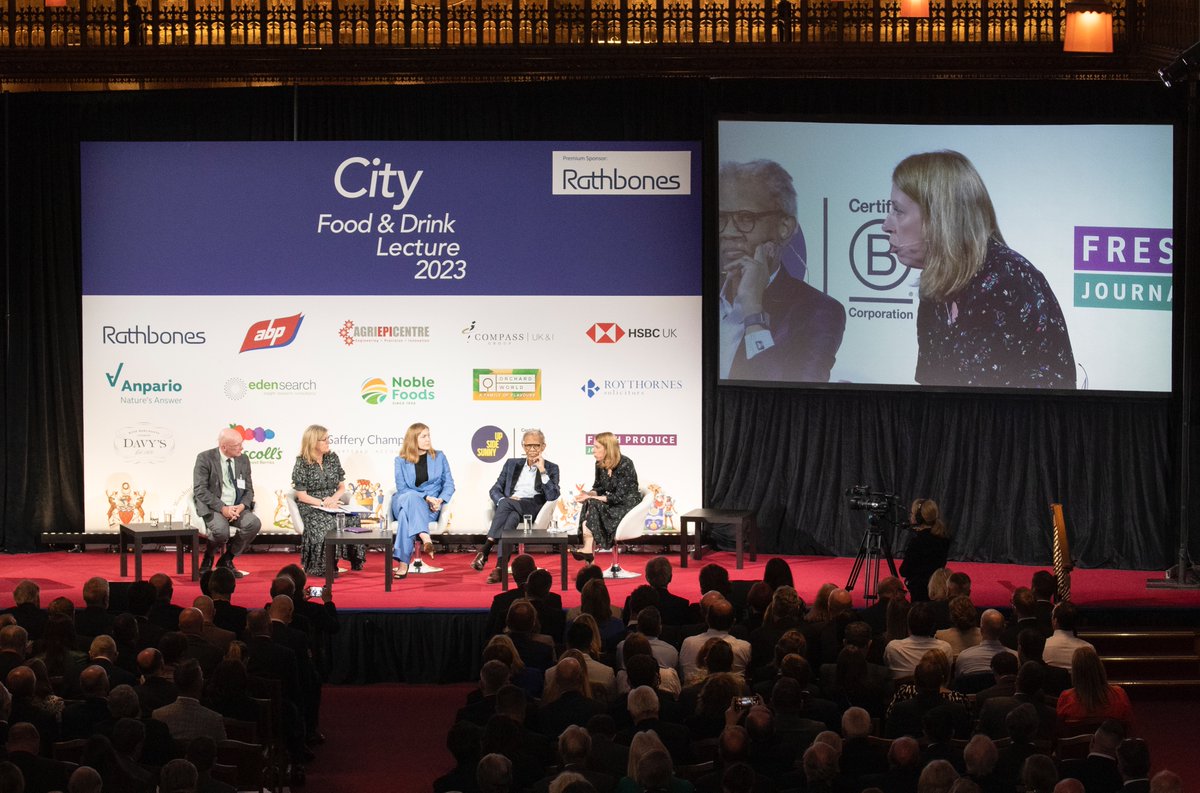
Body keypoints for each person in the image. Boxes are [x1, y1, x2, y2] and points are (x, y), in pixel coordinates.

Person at [882, 150, 1075, 388]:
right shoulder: (936, 286)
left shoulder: (1009, 282)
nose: (886, 225)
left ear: (941, 216)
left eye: (898, 211)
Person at [719, 159, 845, 382]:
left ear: (784, 228)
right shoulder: (691, 295)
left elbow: (787, 397)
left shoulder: (817, 312)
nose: (728, 232)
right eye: (720, 218)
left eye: (746, 218)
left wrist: (753, 311)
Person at [474, 429, 561, 584]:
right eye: (528, 446)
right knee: (510, 519)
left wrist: (542, 470)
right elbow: (495, 489)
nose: (532, 449)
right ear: (523, 446)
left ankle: (486, 549)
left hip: (534, 507)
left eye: (536, 445)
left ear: (543, 446)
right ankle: (500, 568)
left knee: (508, 504)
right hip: (512, 507)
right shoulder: (511, 464)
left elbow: (553, 496)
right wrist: (502, 500)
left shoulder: (551, 467)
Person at [291, 424, 364, 579]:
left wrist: (333, 499)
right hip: (311, 505)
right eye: (324, 440)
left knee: (352, 518)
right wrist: (323, 503)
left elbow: (341, 487)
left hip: (332, 502)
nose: (328, 442)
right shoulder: (302, 463)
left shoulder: (332, 458)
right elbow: (302, 496)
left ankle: (348, 560)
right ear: (313, 442)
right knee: (327, 521)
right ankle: (323, 564)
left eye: (328, 439)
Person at [193, 427, 262, 576]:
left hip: (237, 507)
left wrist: (242, 506)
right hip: (215, 507)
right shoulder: (205, 458)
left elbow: (249, 489)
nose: (242, 448)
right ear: (224, 447)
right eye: (237, 445)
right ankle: (208, 557)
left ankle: (227, 559)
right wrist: (222, 508)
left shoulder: (243, 459)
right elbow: (200, 489)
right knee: (221, 531)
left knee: (254, 523)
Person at [390, 422, 455, 579]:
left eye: (429, 435)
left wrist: (439, 500)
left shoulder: (439, 457)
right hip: (404, 501)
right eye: (423, 436)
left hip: (430, 508)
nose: (428, 439)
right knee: (411, 497)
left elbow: (449, 484)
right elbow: (402, 489)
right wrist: (425, 497)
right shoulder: (401, 460)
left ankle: (403, 563)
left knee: (407, 516)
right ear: (413, 439)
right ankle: (425, 536)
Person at [572, 432, 639, 561]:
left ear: (608, 448)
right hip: (612, 503)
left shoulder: (625, 464)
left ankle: (588, 550)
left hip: (627, 506)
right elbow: (598, 488)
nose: (593, 451)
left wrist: (592, 498)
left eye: (597, 447)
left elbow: (619, 497)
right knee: (589, 502)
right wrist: (588, 494)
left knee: (592, 502)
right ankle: (587, 548)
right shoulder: (599, 464)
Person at [1056, 646, 1133, 732]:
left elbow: (1060, 729)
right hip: (1111, 745)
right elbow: (1128, 727)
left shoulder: (1066, 698)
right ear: (1099, 667)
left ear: (1075, 673)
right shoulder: (1119, 695)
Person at [899, 499, 950, 602]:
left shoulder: (918, 541)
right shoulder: (944, 538)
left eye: (912, 513)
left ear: (919, 517)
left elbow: (904, 571)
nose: (911, 516)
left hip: (919, 591)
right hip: (937, 587)